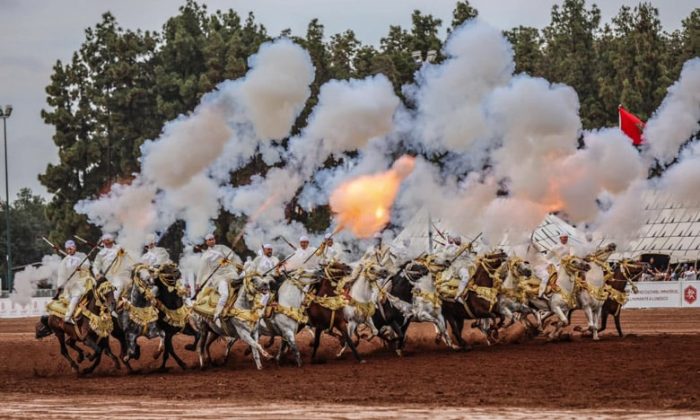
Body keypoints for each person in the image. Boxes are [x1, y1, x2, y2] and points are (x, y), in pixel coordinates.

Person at [195, 233, 243, 321]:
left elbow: (231, 254)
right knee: (224, 294)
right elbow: (201, 270)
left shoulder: (222, 247)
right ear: (206, 242)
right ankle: (217, 314)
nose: (212, 241)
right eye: (209, 240)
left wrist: (227, 259)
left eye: (213, 239)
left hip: (230, 273)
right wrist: (198, 283)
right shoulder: (205, 255)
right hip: (219, 277)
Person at [57, 240, 91, 324]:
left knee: (77, 295)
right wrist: (60, 285)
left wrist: (81, 267)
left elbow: (88, 265)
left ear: (75, 248)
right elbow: (61, 274)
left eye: (71, 248)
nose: (69, 250)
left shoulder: (82, 255)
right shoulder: (65, 260)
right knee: (67, 299)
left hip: (81, 281)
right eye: (68, 249)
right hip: (68, 284)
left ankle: (67, 318)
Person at [92, 233, 134, 302]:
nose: (109, 241)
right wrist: (97, 274)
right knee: (119, 284)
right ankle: (113, 303)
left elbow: (128, 257)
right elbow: (95, 266)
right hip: (111, 276)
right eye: (107, 240)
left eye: (110, 239)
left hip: (124, 273)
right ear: (103, 242)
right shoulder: (101, 253)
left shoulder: (119, 247)